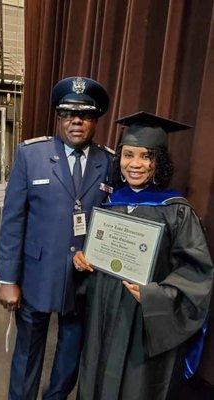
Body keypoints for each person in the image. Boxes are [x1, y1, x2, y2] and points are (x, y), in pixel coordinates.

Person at [73, 111, 213, 400]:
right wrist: (84, 261)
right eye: (128, 155)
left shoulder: (176, 210)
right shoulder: (110, 204)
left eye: (146, 156)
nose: (135, 164)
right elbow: (98, 257)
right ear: (119, 158)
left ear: (158, 162)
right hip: (105, 314)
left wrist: (155, 295)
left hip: (143, 321)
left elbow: (196, 273)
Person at [0, 76, 115, 400]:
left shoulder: (109, 162)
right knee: (27, 352)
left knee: (70, 353)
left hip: (82, 278)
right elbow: (12, 221)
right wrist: (7, 279)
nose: (76, 120)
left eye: (85, 114)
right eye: (67, 113)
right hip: (36, 273)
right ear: (58, 117)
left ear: (95, 120)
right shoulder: (31, 154)